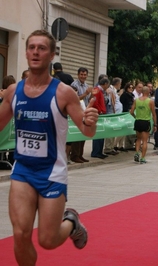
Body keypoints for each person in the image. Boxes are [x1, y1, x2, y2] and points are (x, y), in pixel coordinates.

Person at [0, 29, 98, 265]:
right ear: (26, 53)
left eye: (42, 48)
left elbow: (86, 130)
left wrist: (90, 122)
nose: (35, 52)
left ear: (52, 54)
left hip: (52, 173)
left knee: (48, 240)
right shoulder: (14, 91)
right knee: (21, 234)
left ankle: (71, 221)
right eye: (31, 47)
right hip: (23, 170)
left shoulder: (64, 93)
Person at [70, 67, 92, 163]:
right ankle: (74, 155)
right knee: (77, 135)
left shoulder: (86, 85)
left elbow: (87, 99)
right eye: (81, 74)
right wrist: (86, 93)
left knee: (84, 134)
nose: (83, 76)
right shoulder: (74, 85)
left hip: (85, 112)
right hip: (76, 113)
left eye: (85, 74)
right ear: (78, 75)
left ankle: (80, 154)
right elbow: (74, 99)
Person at [130, 86, 156, 164]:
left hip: (138, 121)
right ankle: (143, 158)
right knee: (144, 141)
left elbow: (131, 112)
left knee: (138, 139)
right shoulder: (150, 101)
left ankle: (137, 153)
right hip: (146, 121)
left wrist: (135, 117)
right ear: (148, 92)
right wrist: (155, 124)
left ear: (142, 92)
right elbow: (154, 114)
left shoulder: (136, 100)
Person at [90, 78, 109, 159]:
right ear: (105, 84)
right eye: (107, 85)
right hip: (98, 114)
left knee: (101, 133)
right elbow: (95, 102)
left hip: (101, 113)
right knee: (98, 133)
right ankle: (96, 152)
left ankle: (99, 151)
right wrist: (100, 111)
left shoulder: (100, 91)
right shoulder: (97, 90)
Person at [120, 82, 136, 151]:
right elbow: (122, 104)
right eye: (129, 87)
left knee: (130, 129)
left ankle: (130, 145)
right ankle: (123, 145)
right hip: (125, 113)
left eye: (132, 88)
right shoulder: (124, 95)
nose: (131, 89)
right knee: (125, 130)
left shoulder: (132, 95)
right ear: (126, 88)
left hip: (131, 113)